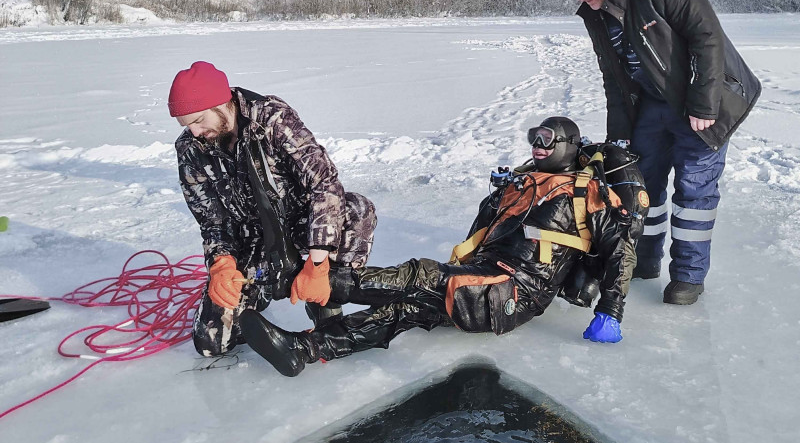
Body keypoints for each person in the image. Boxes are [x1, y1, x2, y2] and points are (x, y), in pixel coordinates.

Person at [238, 117, 646, 377]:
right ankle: (304, 349)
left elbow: (621, 250)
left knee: (420, 276)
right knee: (405, 309)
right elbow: (480, 235)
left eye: (545, 139)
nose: (536, 145)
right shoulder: (522, 182)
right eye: (532, 137)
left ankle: (303, 283)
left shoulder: (586, 193)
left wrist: (611, 311)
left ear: (568, 146)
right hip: (483, 279)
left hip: (515, 292)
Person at [564, 0, 761, 305]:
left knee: (694, 191)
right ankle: (643, 259)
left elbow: (707, 38)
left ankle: (688, 276)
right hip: (652, 105)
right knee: (640, 184)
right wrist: (619, 139)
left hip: (705, 98)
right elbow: (614, 78)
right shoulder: (594, 12)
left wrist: (703, 105)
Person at [168, 61, 377, 356]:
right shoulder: (190, 150)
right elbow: (212, 220)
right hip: (249, 240)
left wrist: (317, 265)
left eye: (199, 120)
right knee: (211, 343)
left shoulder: (271, 117)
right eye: (186, 124)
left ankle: (325, 301)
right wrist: (221, 264)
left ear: (220, 102)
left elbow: (323, 182)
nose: (195, 131)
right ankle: (259, 299)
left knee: (356, 209)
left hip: (300, 221)